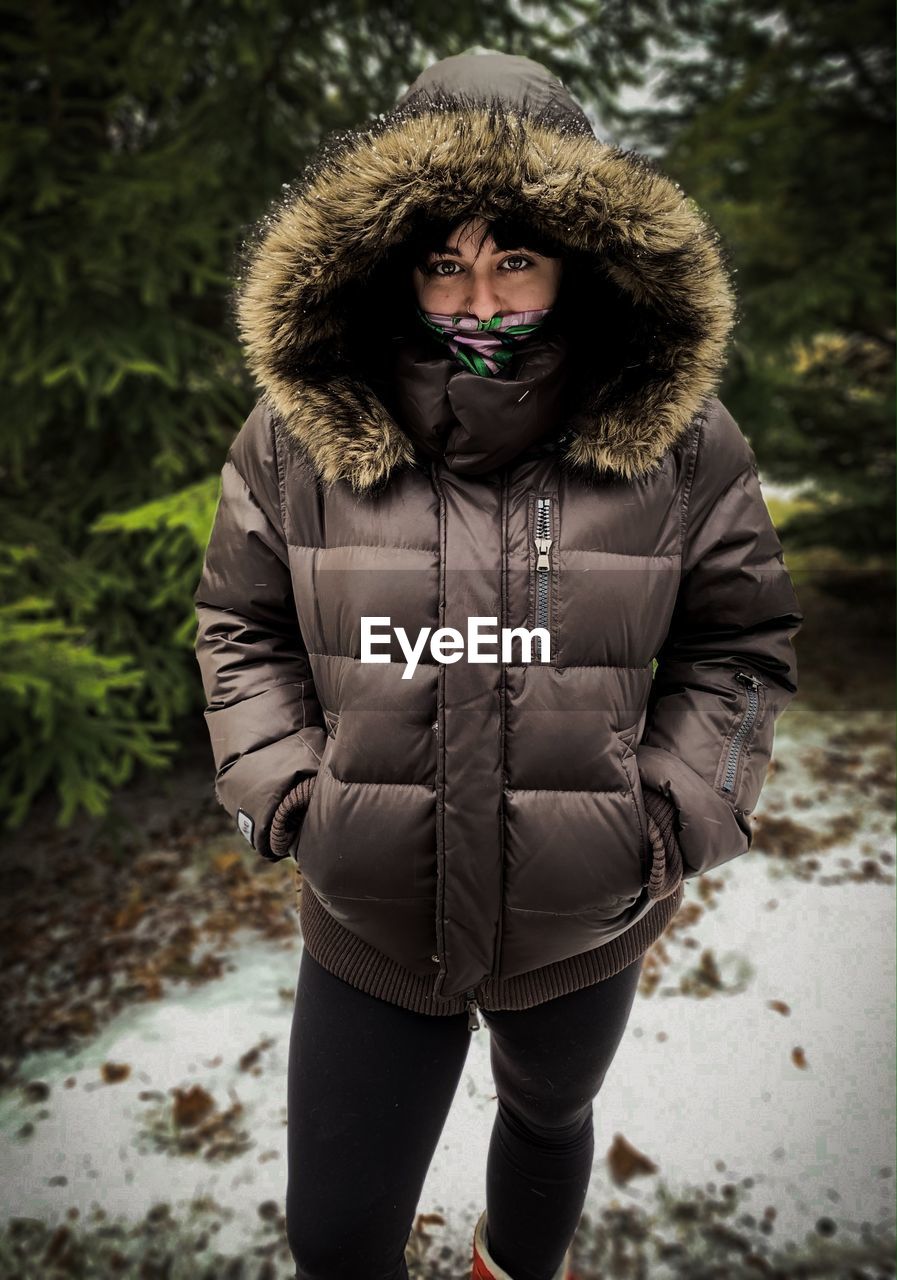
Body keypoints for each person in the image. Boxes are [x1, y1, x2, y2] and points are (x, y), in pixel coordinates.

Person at [193, 50, 803, 1280]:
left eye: (514, 255)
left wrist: (671, 816)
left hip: (586, 914)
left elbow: (737, 641)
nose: (478, 296)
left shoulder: (680, 438)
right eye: (442, 259)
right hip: (369, 914)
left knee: (545, 1123)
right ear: (392, 260)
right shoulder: (299, 430)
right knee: (336, 1237)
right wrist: (295, 796)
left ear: (579, 255)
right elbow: (238, 622)